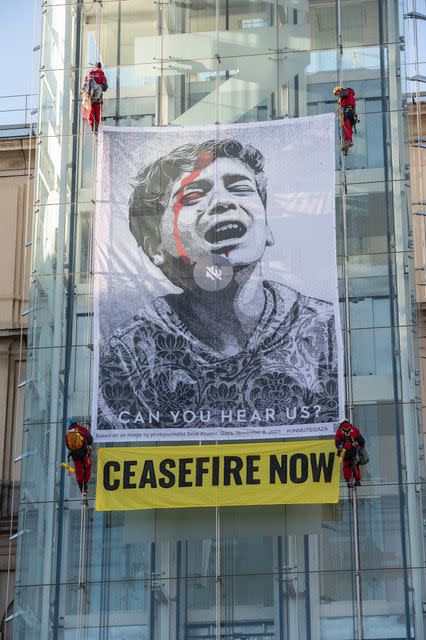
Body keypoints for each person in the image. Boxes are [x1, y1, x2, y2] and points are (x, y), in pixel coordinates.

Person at [97, 138, 340, 434]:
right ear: (155, 245)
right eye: (192, 196)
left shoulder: (324, 330)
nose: (223, 202)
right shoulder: (132, 351)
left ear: (267, 227)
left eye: (239, 188)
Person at [65, 419, 93, 497]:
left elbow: (68, 446)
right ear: (76, 423)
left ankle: (82, 488)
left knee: (78, 471)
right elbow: (90, 440)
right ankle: (85, 484)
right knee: (87, 468)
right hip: (84, 453)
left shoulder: (68, 434)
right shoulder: (82, 429)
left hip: (75, 455)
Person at [335, 419, 366, 487]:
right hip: (354, 451)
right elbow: (361, 441)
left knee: (346, 466)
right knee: (356, 466)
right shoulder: (355, 429)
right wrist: (361, 448)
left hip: (345, 452)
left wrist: (340, 448)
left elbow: (337, 443)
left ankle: (348, 482)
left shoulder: (339, 431)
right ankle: (357, 481)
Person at [82, 62, 108, 133]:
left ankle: (92, 125)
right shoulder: (102, 75)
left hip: (89, 98)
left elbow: (85, 85)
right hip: (97, 98)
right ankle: (96, 127)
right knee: (97, 112)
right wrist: (99, 86)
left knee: (89, 111)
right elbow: (105, 87)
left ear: (95, 67)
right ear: (100, 67)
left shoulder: (89, 74)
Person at [333, 86, 357, 154]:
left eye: (337, 93)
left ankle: (348, 140)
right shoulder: (345, 98)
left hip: (348, 112)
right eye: (336, 94)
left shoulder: (346, 91)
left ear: (339, 90)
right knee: (346, 128)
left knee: (346, 126)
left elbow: (342, 94)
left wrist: (339, 100)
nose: (337, 95)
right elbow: (339, 108)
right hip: (350, 113)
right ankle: (346, 142)